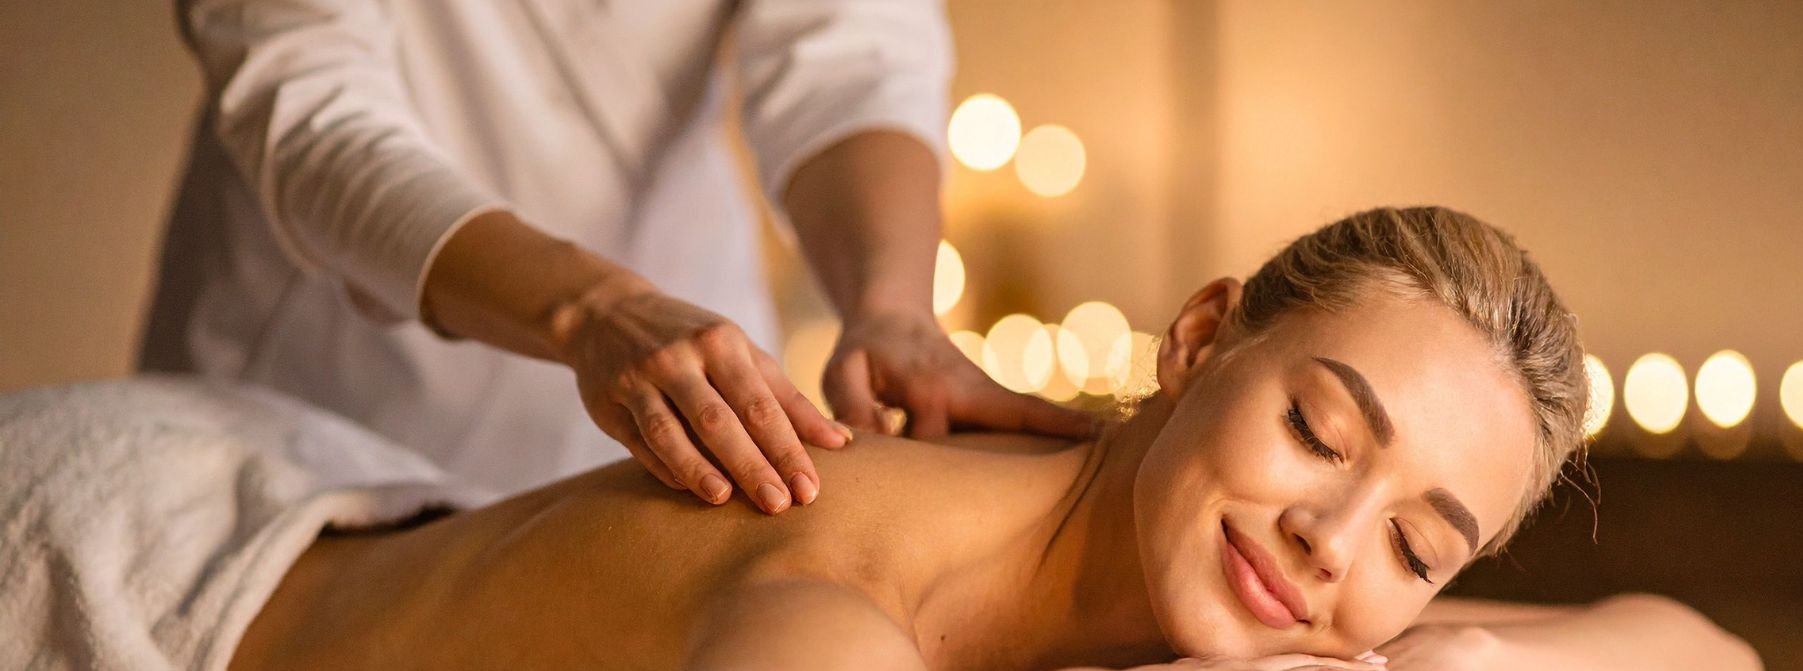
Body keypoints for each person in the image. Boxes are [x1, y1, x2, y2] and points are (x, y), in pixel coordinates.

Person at [172, 207, 1776, 671]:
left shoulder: (1244, 560)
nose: (1335, 540)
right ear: (1202, 336)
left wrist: (1466, 656)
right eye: (1316, 429)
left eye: (1425, 544)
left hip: (360, 506)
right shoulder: (885, 548)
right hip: (154, 576)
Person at [141, 0, 1094, 504]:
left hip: (701, 396)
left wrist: (891, 306)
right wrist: (587, 309)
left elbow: (850, 55)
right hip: (324, 377)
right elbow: (311, 115)